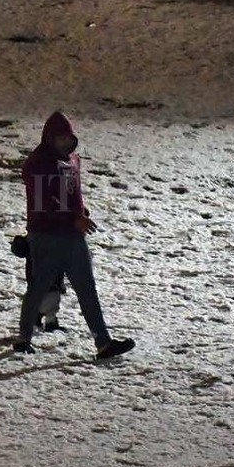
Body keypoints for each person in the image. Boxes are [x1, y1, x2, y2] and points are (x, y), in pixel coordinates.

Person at [16, 111, 135, 360]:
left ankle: (103, 343)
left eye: (67, 138)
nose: (65, 143)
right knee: (39, 287)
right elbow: (44, 202)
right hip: (47, 235)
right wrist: (74, 216)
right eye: (60, 139)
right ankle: (24, 337)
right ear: (49, 138)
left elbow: (68, 194)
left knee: (86, 288)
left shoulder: (72, 160)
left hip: (71, 234)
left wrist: (79, 211)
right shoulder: (38, 164)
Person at [11, 233, 64, 332]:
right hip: (40, 273)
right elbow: (21, 250)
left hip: (47, 273)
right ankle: (39, 317)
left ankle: (48, 321)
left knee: (52, 295)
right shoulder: (38, 235)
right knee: (48, 295)